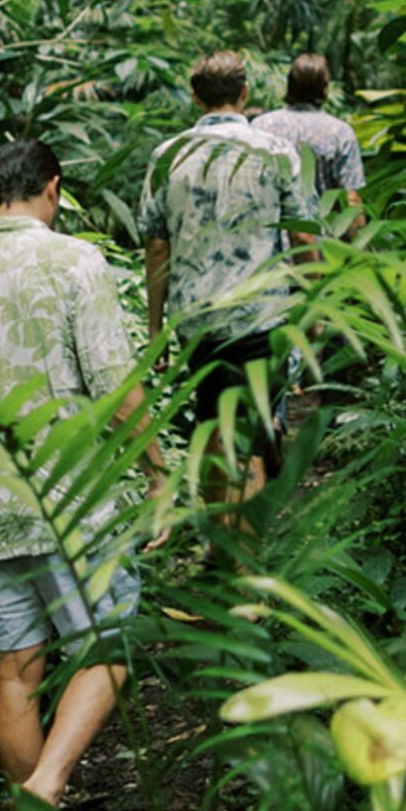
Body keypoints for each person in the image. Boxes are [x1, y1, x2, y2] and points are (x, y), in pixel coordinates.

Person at [0, 138, 165, 808]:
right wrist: (161, 474)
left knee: (16, 674)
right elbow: (115, 386)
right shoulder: (76, 261)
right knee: (111, 642)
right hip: (71, 499)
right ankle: (48, 784)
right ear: (53, 188)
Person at [139, 50, 318, 491]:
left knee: (215, 423)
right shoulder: (276, 151)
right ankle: (240, 554)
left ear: (196, 98)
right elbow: (302, 237)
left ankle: (220, 543)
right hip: (260, 316)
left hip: (196, 319)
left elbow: (157, 247)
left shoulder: (168, 155)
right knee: (251, 438)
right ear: (244, 93)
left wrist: (156, 330)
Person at [253, 52, 366, 240]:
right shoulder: (339, 133)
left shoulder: (261, 126)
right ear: (324, 89)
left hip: (267, 246)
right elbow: (350, 200)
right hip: (319, 247)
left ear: (289, 85)